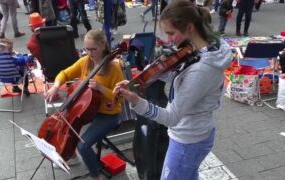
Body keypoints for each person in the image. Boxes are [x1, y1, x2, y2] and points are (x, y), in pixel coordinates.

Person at [114, 1, 233, 180]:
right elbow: (183, 80)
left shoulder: (202, 69)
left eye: (171, 33)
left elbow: (171, 117)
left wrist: (137, 102)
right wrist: (153, 74)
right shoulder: (204, 48)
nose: (169, 40)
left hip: (188, 139)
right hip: (197, 133)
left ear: (190, 27)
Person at [45, 29, 124, 180]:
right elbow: (64, 74)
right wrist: (55, 87)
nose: (89, 53)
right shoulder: (85, 62)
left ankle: (95, 176)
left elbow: (121, 98)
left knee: (84, 145)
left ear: (102, 46)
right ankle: (72, 155)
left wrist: (101, 88)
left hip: (108, 114)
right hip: (87, 109)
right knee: (68, 125)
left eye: (93, 49)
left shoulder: (114, 68)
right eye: (87, 49)